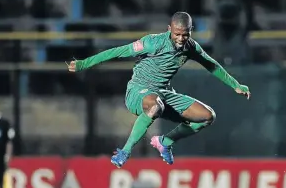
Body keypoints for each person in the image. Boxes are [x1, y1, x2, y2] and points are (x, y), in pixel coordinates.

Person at [66, 12, 251, 168]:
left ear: (190, 32)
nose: (180, 39)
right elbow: (117, 51)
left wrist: (235, 84)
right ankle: (125, 150)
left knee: (207, 116)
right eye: (177, 34)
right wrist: (84, 64)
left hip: (164, 94)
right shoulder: (152, 42)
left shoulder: (192, 47)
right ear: (169, 29)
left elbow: (213, 66)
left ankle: (165, 142)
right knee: (155, 105)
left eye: (185, 35)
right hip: (138, 91)